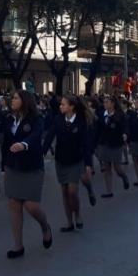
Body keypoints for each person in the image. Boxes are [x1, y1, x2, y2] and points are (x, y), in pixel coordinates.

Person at [3, 90, 51, 259]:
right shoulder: (9, 119)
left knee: (31, 206)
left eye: (16, 98)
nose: (12, 100)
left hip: (32, 167)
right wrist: (4, 165)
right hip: (13, 167)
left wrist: (23, 144)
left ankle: (45, 226)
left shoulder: (36, 119)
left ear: (25, 101)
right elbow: (5, 142)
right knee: (14, 205)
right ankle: (18, 246)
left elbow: (35, 136)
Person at [43, 95, 95, 233]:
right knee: (65, 192)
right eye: (60, 104)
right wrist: (42, 153)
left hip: (75, 160)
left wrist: (88, 163)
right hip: (61, 160)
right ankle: (69, 222)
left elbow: (86, 144)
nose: (60, 106)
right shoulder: (58, 119)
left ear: (71, 107)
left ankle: (77, 214)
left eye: (63, 104)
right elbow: (49, 137)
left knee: (72, 191)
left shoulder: (81, 121)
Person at [97, 96, 130, 198]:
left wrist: (125, 134)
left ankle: (123, 176)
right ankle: (109, 191)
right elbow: (98, 128)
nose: (105, 104)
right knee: (107, 168)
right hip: (104, 144)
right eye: (104, 102)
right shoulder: (102, 114)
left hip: (116, 144)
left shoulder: (120, 115)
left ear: (113, 103)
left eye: (107, 102)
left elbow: (125, 127)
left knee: (117, 168)